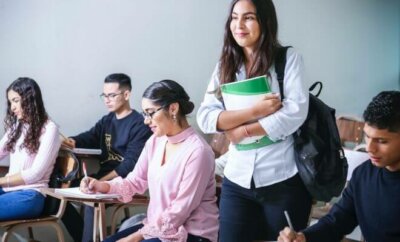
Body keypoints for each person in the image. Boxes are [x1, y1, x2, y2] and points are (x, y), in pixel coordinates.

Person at [196, 0, 312, 241]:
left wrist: (242, 131)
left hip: (282, 179)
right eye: (234, 18)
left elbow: (294, 113)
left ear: (265, 21)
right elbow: (205, 117)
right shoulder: (225, 65)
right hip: (237, 179)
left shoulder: (288, 59)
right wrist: (254, 112)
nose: (239, 25)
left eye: (248, 17)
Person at [80, 79, 219, 242]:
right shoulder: (155, 141)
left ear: (173, 108)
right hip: (158, 228)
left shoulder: (198, 152)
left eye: (150, 113)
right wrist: (101, 185)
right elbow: (135, 181)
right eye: (144, 114)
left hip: (192, 235)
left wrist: (134, 238)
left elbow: (179, 212)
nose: (146, 120)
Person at [278, 91, 400, 242]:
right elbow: (339, 220)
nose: (369, 148)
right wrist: (304, 237)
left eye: (382, 141)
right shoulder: (363, 175)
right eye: (367, 136)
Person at [61, 73, 152, 242]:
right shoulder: (108, 120)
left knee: (91, 203)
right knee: (63, 195)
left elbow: (129, 165)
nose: (107, 100)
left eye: (112, 95)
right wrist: (71, 141)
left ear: (126, 95)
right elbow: (90, 137)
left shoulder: (140, 123)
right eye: (104, 95)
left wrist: (101, 182)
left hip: (125, 181)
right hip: (104, 178)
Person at [0, 77, 61, 220]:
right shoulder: (17, 126)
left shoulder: (49, 129)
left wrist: (1, 180)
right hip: (8, 191)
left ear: (29, 99)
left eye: (15, 101)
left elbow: (35, 173)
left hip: (30, 195)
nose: (12, 107)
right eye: (10, 102)